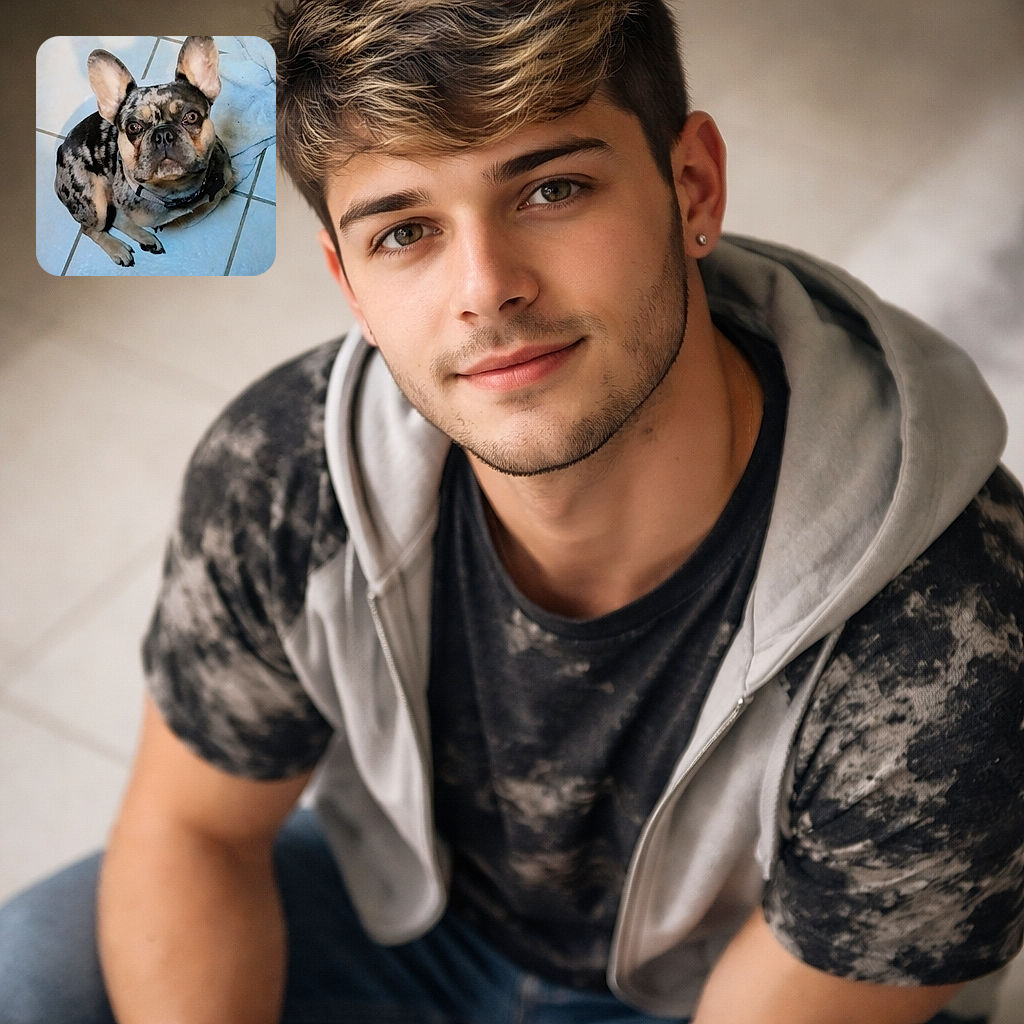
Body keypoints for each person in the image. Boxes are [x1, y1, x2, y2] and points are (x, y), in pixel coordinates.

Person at [2, 1, 1023, 1021]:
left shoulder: (956, 640)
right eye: (404, 231)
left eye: (551, 187)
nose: (486, 290)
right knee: (35, 972)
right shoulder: (284, 470)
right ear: (350, 285)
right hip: (413, 914)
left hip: (712, 981)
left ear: (691, 184)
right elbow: (196, 830)